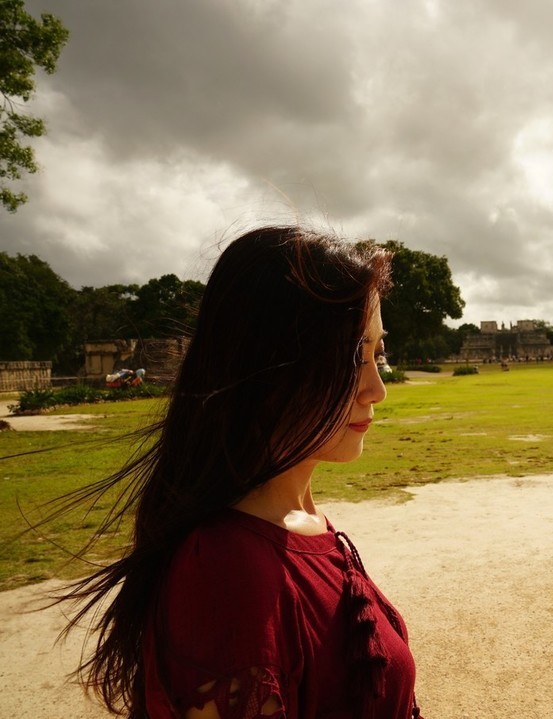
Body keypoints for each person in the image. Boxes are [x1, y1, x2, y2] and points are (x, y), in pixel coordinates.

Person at [57, 226, 422, 719]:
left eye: (376, 353)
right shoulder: (228, 571)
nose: (377, 388)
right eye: (351, 355)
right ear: (268, 364)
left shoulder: (302, 524)